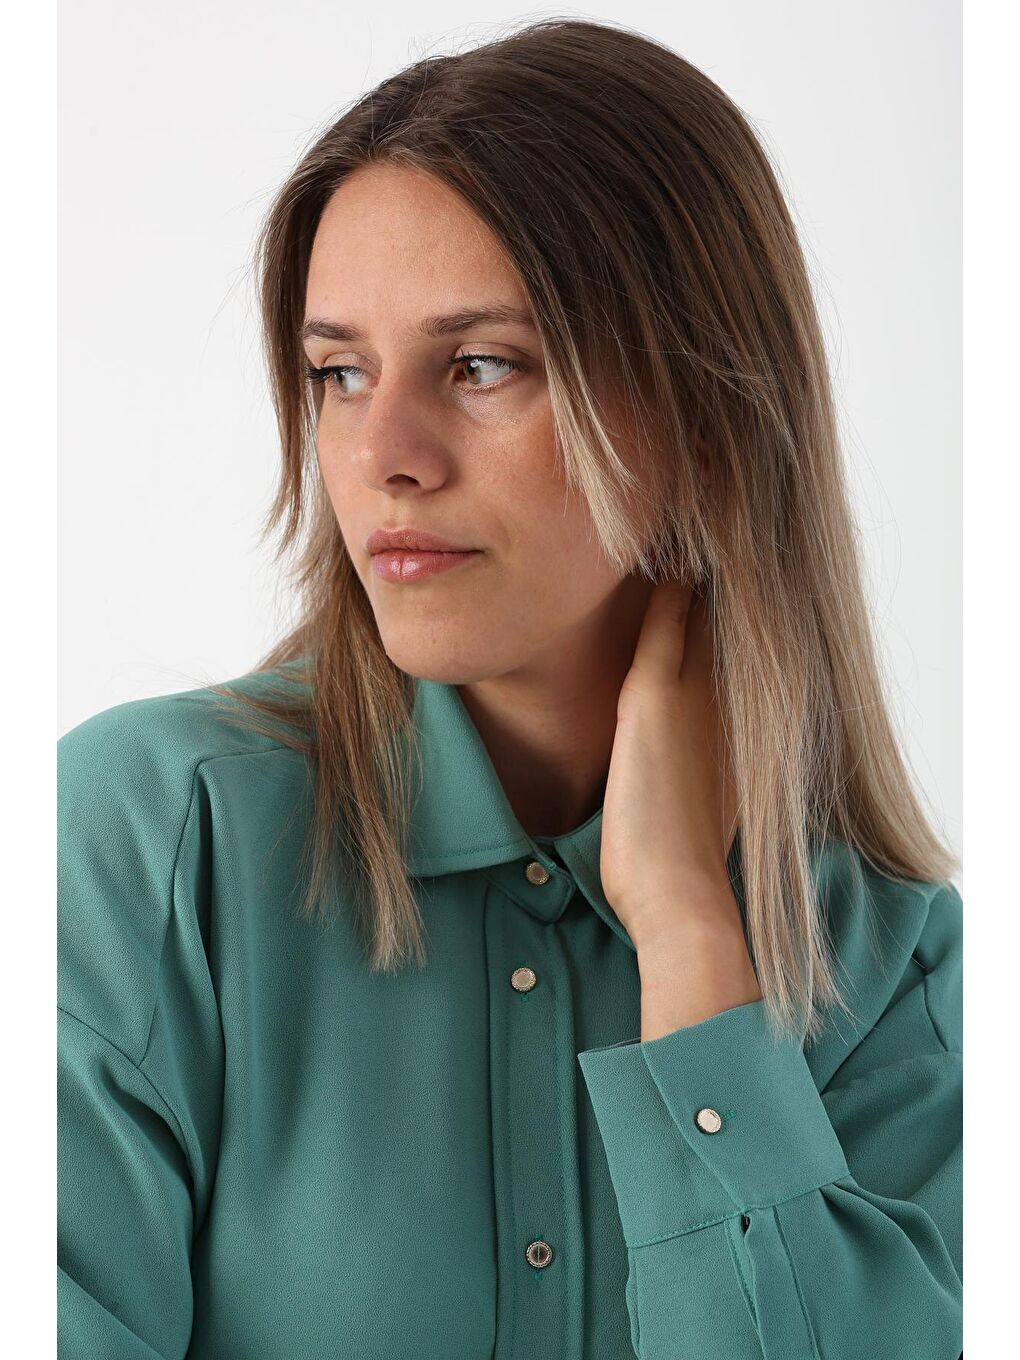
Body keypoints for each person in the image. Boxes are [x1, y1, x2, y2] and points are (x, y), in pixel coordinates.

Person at [57, 16, 962, 1359]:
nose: (386, 453)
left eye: (482, 364)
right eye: (339, 373)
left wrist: (692, 944)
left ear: (702, 411)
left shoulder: (884, 958)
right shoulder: (149, 842)